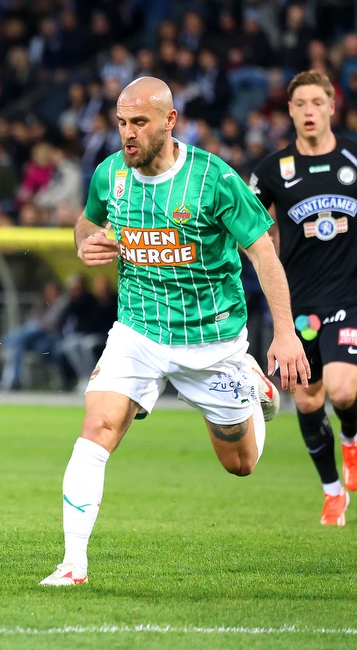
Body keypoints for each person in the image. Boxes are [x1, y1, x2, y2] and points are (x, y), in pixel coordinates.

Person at [40, 77, 308, 587]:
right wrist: (87, 243)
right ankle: (74, 563)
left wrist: (285, 334)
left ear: (169, 121)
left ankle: (255, 387)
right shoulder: (110, 174)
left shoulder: (214, 179)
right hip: (137, 333)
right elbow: (85, 224)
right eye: (121, 123)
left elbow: (264, 254)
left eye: (138, 122)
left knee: (241, 463)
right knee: (96, 427)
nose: (127, 134)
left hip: (211, 343)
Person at [249, 70, 357, 526]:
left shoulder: (354, 157)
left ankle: (350, 438)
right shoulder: (274, 169)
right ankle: (333, 492)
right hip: (298, 305)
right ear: (289, 111)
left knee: (342, 389)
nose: (309, 111)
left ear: (332, 106)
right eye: (300, 104)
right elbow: (245, 221)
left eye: (317, 102)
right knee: (310, 402)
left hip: (349, 297)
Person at [0, 280, 71, 391]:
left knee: (29, 330)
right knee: (18, 346)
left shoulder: (60, 305)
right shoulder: (42, 304)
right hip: (35, 339)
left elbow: (50, 324)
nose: (48, 293)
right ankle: (13, 380)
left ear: (57, 291)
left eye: (51, 290)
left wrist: (36, 324)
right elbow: (30, 316)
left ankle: (8, 342)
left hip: (49, 338)